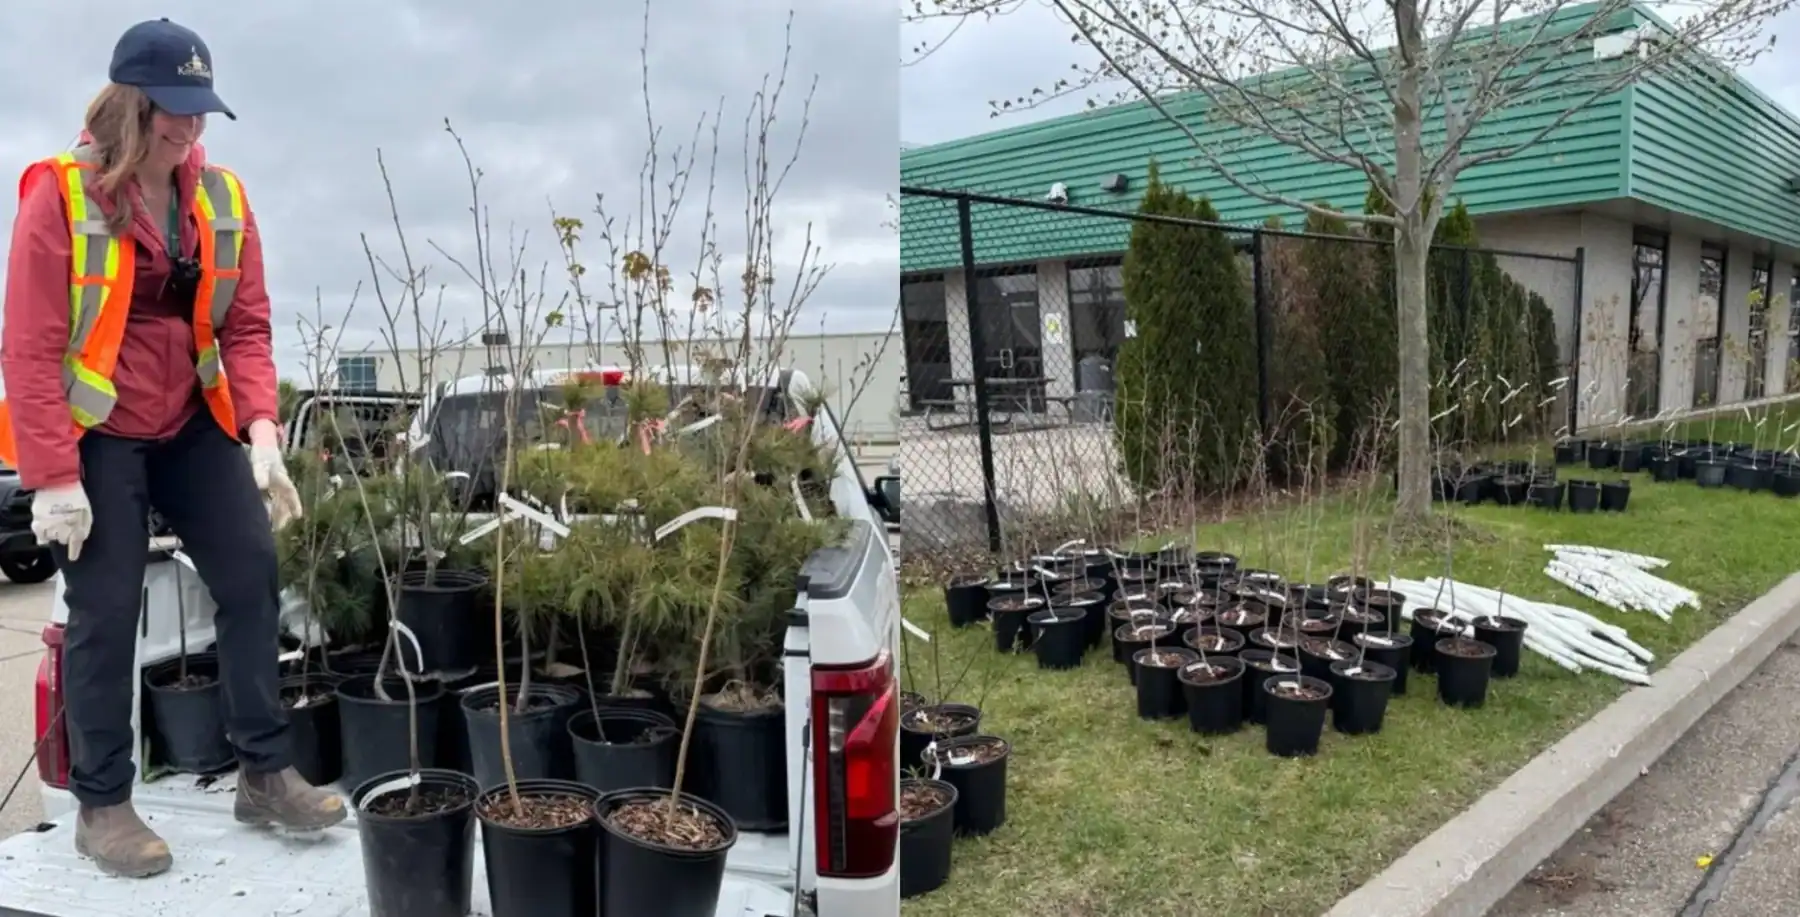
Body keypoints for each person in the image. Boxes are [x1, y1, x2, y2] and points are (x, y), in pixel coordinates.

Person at [0, 19, 335, 879]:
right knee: (105, 611)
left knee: (252, 571)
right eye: (172, 113)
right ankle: (104, 804)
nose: (188, 130)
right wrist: (51, 476)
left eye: (200, 113)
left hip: (191, 423)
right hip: (101, 435)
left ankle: (264, 771)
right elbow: (31, 346)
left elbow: (248, 324)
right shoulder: (62, 196)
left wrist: (261, 430)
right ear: (129, 104)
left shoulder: (219, 197)